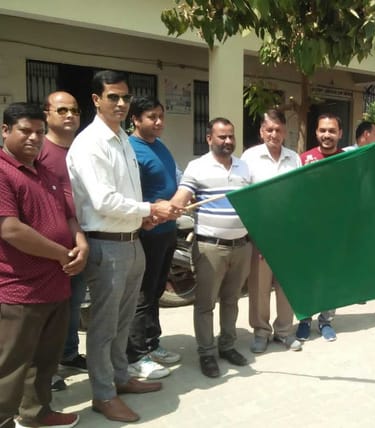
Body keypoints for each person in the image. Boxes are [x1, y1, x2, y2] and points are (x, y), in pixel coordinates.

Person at [66, 70, 179, 423]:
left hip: (132, 241)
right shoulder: (90, 143)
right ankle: (103, 395)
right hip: (106, 246)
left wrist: (142, 218)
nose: (120, 103)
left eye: (124, 97)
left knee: (123, 321)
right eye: (112, 97)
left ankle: (120, 377)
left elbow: (127, 194)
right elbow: (102, 200)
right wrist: (149, 209)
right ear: (96, 100)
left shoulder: (122, 141)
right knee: (103, 327)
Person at [0, 102, 88, 428]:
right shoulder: (3, 172)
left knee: (45, 360)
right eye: (25, 131)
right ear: (5, 130)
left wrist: (81, 243)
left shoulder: (46, 172)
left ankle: (37, 413)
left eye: (39, 132)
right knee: (11, 365)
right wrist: (61, 253)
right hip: (20, 289)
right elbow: (10, 229)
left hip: (56, 284)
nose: (34, 138)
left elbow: (68, 216)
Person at [170, 117, 252, 378]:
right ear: (209, 138)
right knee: (205, 304)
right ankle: (206, 352)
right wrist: (173, 206)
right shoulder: (197, 167)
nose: (228, 141)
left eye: (231, 136)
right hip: (210, 248)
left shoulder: (244, 167)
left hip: (242, 246)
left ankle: (227, 345)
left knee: (231, 300)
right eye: (222, 136)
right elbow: (182, 196)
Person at [126, 97, 181, 381]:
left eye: (161, 116)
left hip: (166, 231)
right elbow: (128, 194)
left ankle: (152, 342)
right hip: (146, 233)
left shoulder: (159, 145)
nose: (158, 122)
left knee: (157, 291)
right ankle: (135, 355)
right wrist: (149, 212)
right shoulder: (130, 149)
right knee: (143, 294)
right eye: (151, 117)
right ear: (135, 119)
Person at [241, 109, 303, 354]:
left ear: (285, 132)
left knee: (286, 284)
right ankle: (261, 332)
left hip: (288, 233)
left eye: (278, 130)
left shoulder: (293, 158)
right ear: (261, 131)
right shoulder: (250, 157)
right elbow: (245, 197)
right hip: (261, 233)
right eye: (269, 130)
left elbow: (297, 194)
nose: (274, 134)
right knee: (259, 286)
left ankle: (285, 331)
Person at [38, 91, 88, 392]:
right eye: (62, 110)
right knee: (50, 310)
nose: (70, 115)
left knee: (73, 304)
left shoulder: (82, 150)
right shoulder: (39, 151)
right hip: (50, 246)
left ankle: (68, 354)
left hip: (81, 240)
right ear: (47, 114)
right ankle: (48, 367)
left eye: (75, 110)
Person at [294, 113, 347, 342]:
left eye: (332, 131)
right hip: (309, 231)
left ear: (340, 134)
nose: (327, 135)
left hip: (335, 231)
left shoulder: (347, 160)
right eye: (323, 130)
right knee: (307, 276)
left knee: (331, 277)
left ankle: (326, 320)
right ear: (316, 132)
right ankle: (304, 319)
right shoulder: (303, 159)